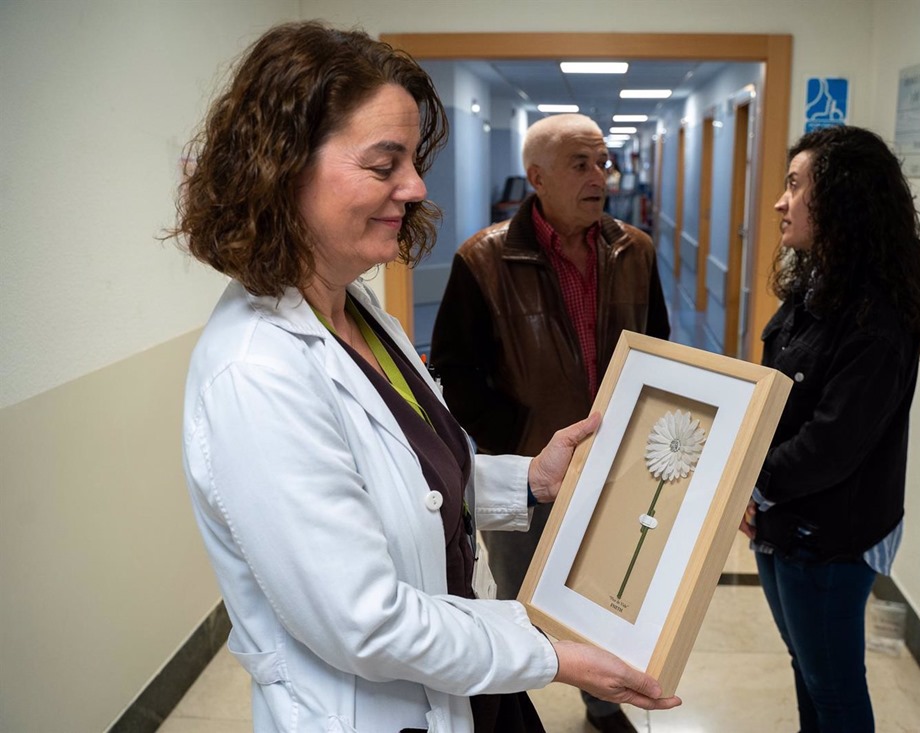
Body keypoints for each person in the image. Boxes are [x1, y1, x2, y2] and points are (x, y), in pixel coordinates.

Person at [171, 22, 680, 733]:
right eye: (386, 164)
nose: (414, 186)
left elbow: (418, 479)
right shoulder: (257, 373)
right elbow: (366, 622)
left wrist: (532, 477)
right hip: (383, 708)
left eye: (413, 160)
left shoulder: (356, 312)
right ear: (281, 169)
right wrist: (553, 656)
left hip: (464, 677)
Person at [430, 113, 670, 733]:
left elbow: (661, 348)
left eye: (603, 162)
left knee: (610, 589)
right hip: (529, 469)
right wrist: (520, 443)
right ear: (536, 177)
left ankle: (604, 702)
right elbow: (456, 373)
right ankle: (515, 711)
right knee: (524, 598)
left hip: (617, 465)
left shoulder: (634, 251)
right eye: (581, 164)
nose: (601, 177)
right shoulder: (482, 260)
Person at [740, 125, 920, 732]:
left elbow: (829, 446)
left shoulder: (876, 318)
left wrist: (747, 484)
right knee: (808, 669)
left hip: (825, 537)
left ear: (841, 202)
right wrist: (753, 487)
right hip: (782, 519)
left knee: (834, 692)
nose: (780, 201)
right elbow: (773, 396)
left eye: (796, 186)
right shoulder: (813, 288)